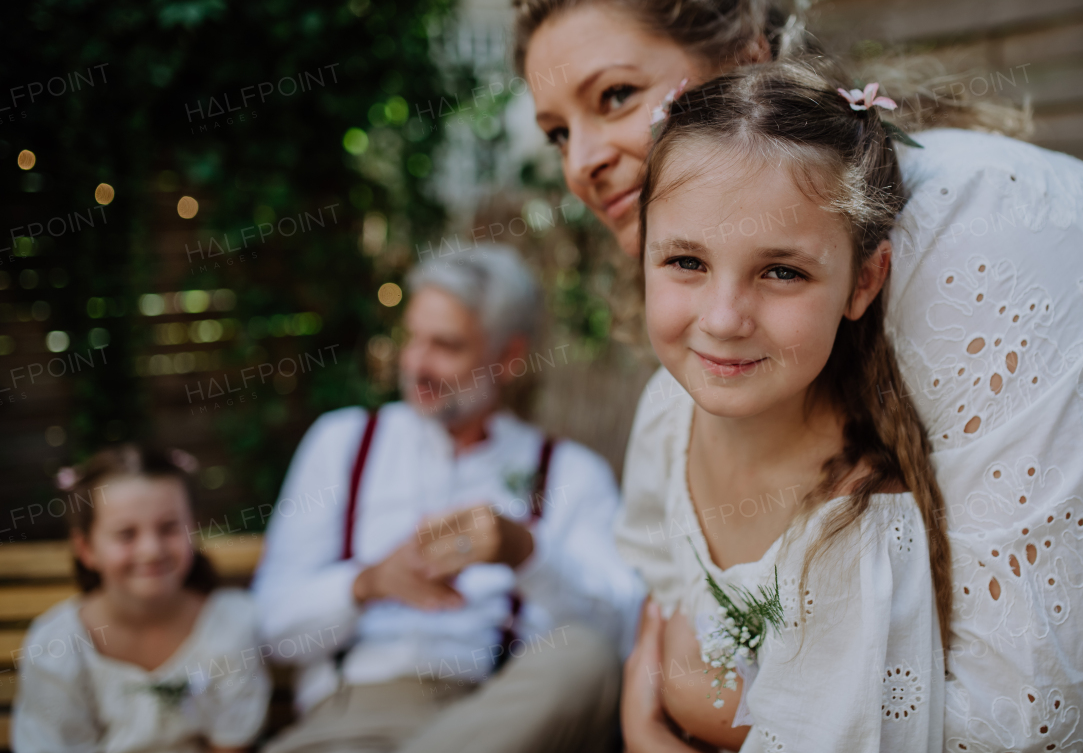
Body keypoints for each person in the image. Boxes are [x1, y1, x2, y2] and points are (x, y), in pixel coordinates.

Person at [512, 0, 1083, 751]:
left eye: (613, 96)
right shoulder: (713, 371)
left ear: (746, 60)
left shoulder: (986, 231)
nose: (579, 162)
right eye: (557, 132)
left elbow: (1021, 716)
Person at [622, 60, 948, 751]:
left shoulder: (852, 533)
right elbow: (657, 587)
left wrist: (644, 733)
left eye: (781, 271)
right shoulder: (666, 411)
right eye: (686, 261)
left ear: (863, 282)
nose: (724, 317)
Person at [252, 243, 645, 753]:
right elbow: (271, 629)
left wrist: (527, 553)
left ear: (508, 358)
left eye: (447, 345)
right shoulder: (342, 443)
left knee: (586, 657)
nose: (417, 363)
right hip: (350, 722)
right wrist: (367, 583)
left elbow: (618, 636)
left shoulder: (572, 473)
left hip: (499, 720)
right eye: (412, 338)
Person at [13, 445, 270, 753]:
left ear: (194, 530)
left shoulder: (231, 624)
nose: (151, 550)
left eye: (169, 528)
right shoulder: (56, 646)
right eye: (126, 534)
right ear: (86, 549)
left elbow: (230, 747)